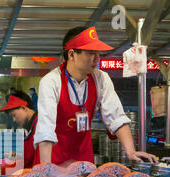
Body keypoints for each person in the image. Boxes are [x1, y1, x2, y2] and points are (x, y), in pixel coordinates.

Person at [35, 26, 158, 166]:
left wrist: (131, 152)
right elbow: (45, 129)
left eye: (98, 53)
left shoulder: (101, 78)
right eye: (91, 53)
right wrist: (47, 169)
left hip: (84, 160)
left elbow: (116, 116)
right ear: (71, 54)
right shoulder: (51, 81)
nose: (97, 58)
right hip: (53, 159)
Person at [0, 90, 38, 168]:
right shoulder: (27, 128)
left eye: (14, 115)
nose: (14, 120)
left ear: (24, 108)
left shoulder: (40, 126)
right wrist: (17, 156)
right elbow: (31, 157)